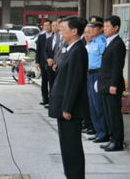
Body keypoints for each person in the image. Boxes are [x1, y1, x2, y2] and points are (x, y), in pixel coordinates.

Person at [49, 16, 88, 179]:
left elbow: (74, 82)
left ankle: (75, 176)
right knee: (66, 146)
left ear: (74, 31)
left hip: (70, 109)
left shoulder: (78, 50)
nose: (60, 32)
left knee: (72, 147)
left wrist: (67, 108)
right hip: (64, 105)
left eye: (63, 29)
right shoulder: (71, 48)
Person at [98, 15, 126, 152]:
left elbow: (117, 66)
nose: (105, 29)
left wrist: (113, 84)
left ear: (116, 28)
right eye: (104, 26)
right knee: (108, 113)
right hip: (105, 84)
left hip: (112, 85)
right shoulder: (109, 41)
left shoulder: (118, 44)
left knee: (114, 114)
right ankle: (111, 139)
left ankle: (117, 142)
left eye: (108, 26)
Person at [86, 16, 109, 143]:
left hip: (98, 74)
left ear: (101, 29)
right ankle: (97, 130)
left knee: (98, 104)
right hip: (89, 74)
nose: (92, 29)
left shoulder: (102, 41)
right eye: (91, 27)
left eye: (95, 27)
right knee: (92, 105)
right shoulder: (91, 41)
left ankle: (103, 133)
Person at [35, 19, 53, 106]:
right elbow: (38, 50)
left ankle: (51, 100)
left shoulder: (55, 36)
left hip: (52, 62)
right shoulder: (41, 37)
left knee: (52, 81)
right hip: (43, 62)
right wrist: (37, 62)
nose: (46, 27)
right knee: (44, 82)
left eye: (48, 25)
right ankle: (45, 99)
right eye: (45, 26)